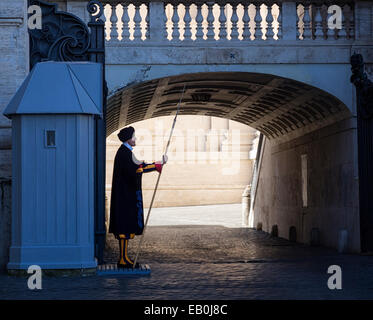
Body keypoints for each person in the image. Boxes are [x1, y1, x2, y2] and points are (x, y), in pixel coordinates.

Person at [109, 126, 168, 268]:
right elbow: (136, 169)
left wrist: (158, 164)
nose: (135, 139)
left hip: (126, 195)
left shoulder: (126, 152)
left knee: (126, 227)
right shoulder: (124, 153)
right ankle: (123, 259)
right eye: (134, 137)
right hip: (125, 196)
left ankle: (124, 258)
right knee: (124, 228)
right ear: (128, 139)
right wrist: (156, 166)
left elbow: (138, 166)